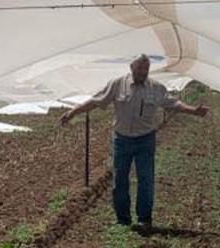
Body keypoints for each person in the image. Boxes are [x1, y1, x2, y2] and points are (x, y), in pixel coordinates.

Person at [59, 55, 208, 230]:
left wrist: (194, 111)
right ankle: (123, 220)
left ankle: (144, 219)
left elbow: (173, 103)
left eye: (146, 69)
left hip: (145, 139)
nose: (143, 72)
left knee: (145, 179)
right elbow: (95, 101)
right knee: (119, 179)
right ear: (131, 67)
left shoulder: (156, 88)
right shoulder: (117, 84)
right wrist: (73, 112)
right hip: (121, 140)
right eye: (139, 69)